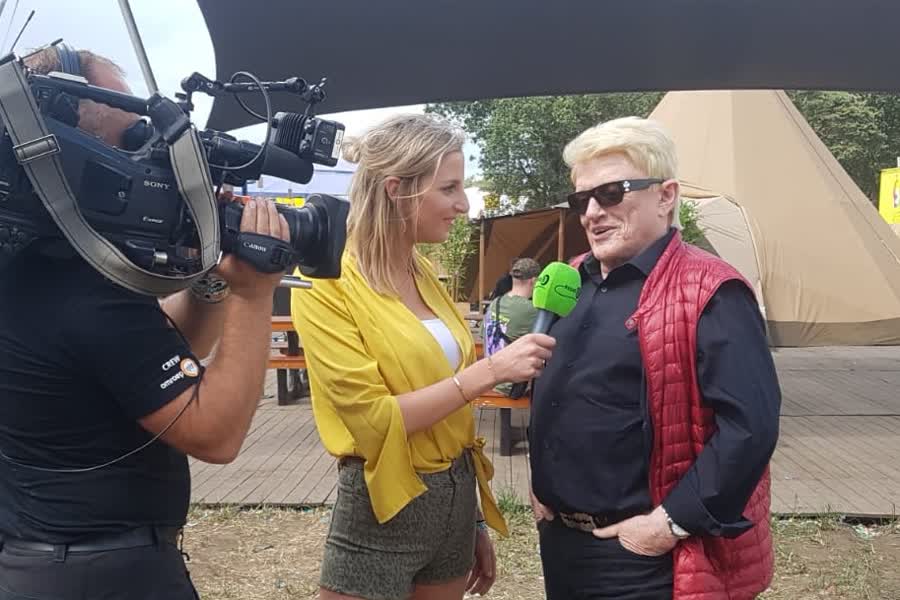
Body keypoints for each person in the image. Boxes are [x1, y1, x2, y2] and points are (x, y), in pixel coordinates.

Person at [0, 46, 289, 599]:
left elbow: (155, 358)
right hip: (104, 574)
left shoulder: (38, 267)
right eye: (133, 137)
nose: (152, 157)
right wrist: (254, 294)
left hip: (48, 564)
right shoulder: (84, 292)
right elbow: (215, 433)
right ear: (65, 147)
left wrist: (209, 279)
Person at [290, 113, 555, 600]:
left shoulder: (423, 271)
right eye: (449, 187)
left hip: (455, 493)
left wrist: (471, 517)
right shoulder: (325, 282)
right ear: (397, 190)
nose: (464, 204)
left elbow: (449, 404)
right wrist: (491, 371)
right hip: (383, 501)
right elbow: (374, 421)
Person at [529, 116, 781, 599]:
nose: (592, 213)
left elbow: (750, 427)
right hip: (561, 542)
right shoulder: (570, 278)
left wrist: (669, 524)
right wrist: (542, 489)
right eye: (581, 200)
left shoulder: (712, 290)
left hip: (645, 557)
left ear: (666, 196)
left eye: (611, 193)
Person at [483, 257, 541, 395]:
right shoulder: (531, 310)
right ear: (534, 281)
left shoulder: (495, 303)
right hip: (512, 386)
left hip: (490, 378)